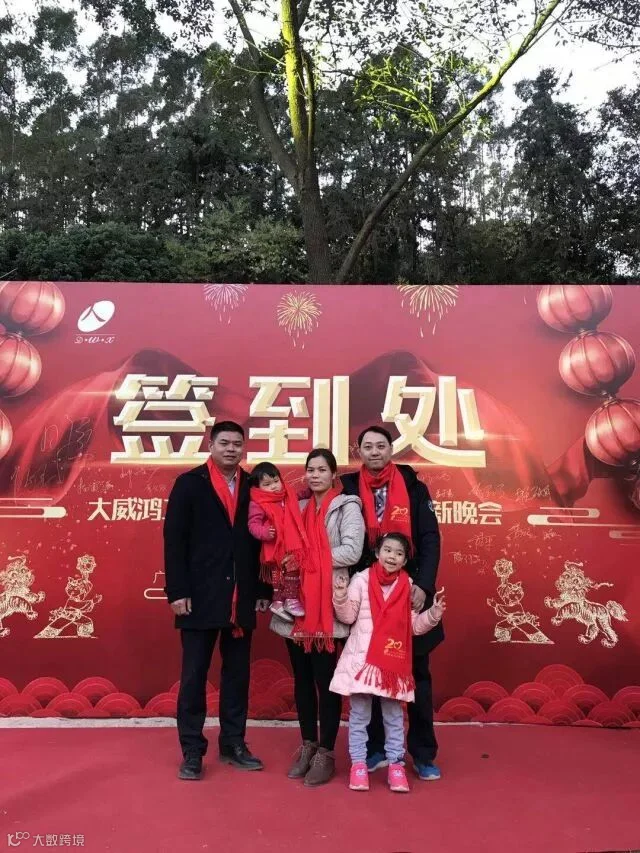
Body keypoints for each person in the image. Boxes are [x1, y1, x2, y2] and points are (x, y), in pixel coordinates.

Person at [164, 421, 270, 781]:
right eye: (224, 443)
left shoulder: (254, 486)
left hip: (240, 597)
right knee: (194, 676)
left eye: (237, 444)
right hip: (198, 596)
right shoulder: (189, 484)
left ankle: (234, 743)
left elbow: (263, 543)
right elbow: (174, 541)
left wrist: (262, 590)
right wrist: (177, 591)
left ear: (244, 447)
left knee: (237, 675)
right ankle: (192, 751)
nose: (231, 449)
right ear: (210, 445)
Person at [340, 426, 443, 781]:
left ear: (390, 450)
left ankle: (423, 754)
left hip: (408, 593)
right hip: (367, 596)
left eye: (380, 446)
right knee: (370, 677)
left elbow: (430, 539)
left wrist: (424, 586)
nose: (374, 452)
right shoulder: (347, 487)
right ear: (359, 451)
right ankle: (374, 749)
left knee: (418, 678)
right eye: (367, 446)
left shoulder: (413, 487)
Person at [270, 448, 365, 787]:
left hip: (326, 606)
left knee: (326, 682)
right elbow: (284, 548)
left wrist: (308, 557)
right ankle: (308, 744)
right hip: (295, 603)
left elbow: (352, 551)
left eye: (322, 469)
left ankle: (326, 752)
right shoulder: (297, 508)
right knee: (301, 679)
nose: (315, 475)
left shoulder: (348, 506)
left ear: (334, 474)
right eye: (310, 469)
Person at [330, 533, 445, 792]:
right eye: (388, 550)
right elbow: (347, 617)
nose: (392, 556)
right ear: (377, 553)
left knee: (394, 718)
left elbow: (413, 627)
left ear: (405, 561)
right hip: (362, 662)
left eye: (399, 553)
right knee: (359, 717)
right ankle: (358, 765)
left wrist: (433, 614)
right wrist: (340, 596)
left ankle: (396, 766)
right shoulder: (361, 580)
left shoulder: (407, 586)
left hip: (392, 664)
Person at [248, 461, 307, 620]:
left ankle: (282, 601)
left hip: (290, 545)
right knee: (278, 574)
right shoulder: (257, 503)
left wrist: (310, 491)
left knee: (291, 570)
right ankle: (286, 600)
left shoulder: (287, 495)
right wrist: (265, 532)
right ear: (257, 487)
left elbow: (299, 496)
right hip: (273, 547)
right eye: (267, 484)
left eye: (276, 481)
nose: (274, 486)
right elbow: (253, 525)